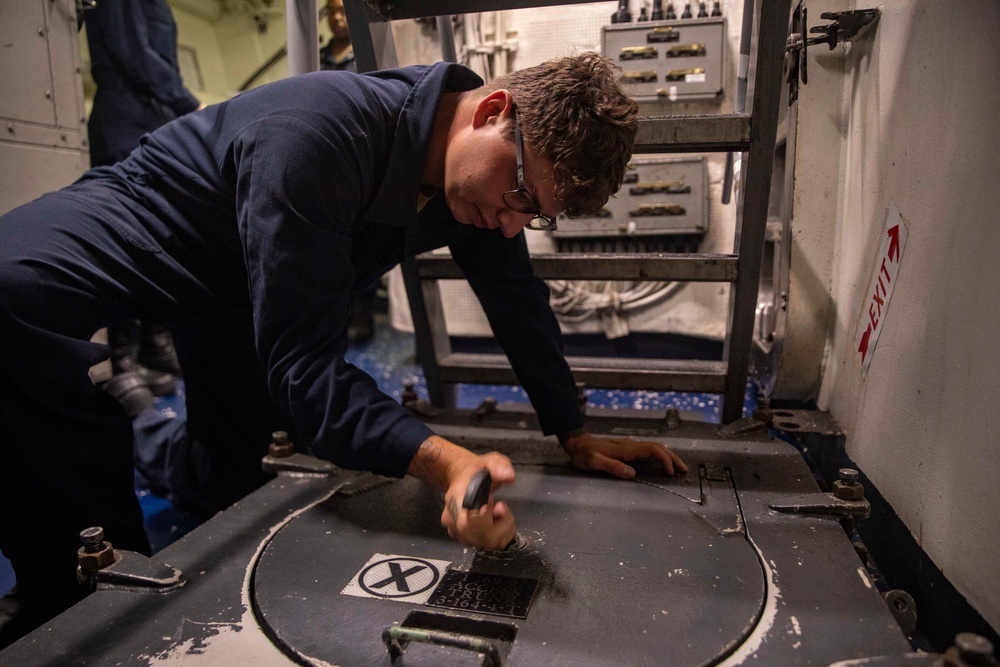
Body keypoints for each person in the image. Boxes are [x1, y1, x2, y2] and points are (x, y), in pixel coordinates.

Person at [0, 52, 686, 648]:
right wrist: (444, 462)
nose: (511, 222)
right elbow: (307, 369)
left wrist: (573, 427)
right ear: (492, 110)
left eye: (531, 214)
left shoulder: (482, 180)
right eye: (517, 196)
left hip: (244, 292)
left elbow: (515, 297)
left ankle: (145, 422)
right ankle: (82, 596)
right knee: (8, 294)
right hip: (151, 219)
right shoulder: (318, 137)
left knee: (228, 485)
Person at [84, 0, 205, 394]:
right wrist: (190, 104)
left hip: (154, 118)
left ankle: (153, 344)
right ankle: (121, 357)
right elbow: (132, 53)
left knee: (161, 237)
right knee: (124, 239)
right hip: (125, 119)